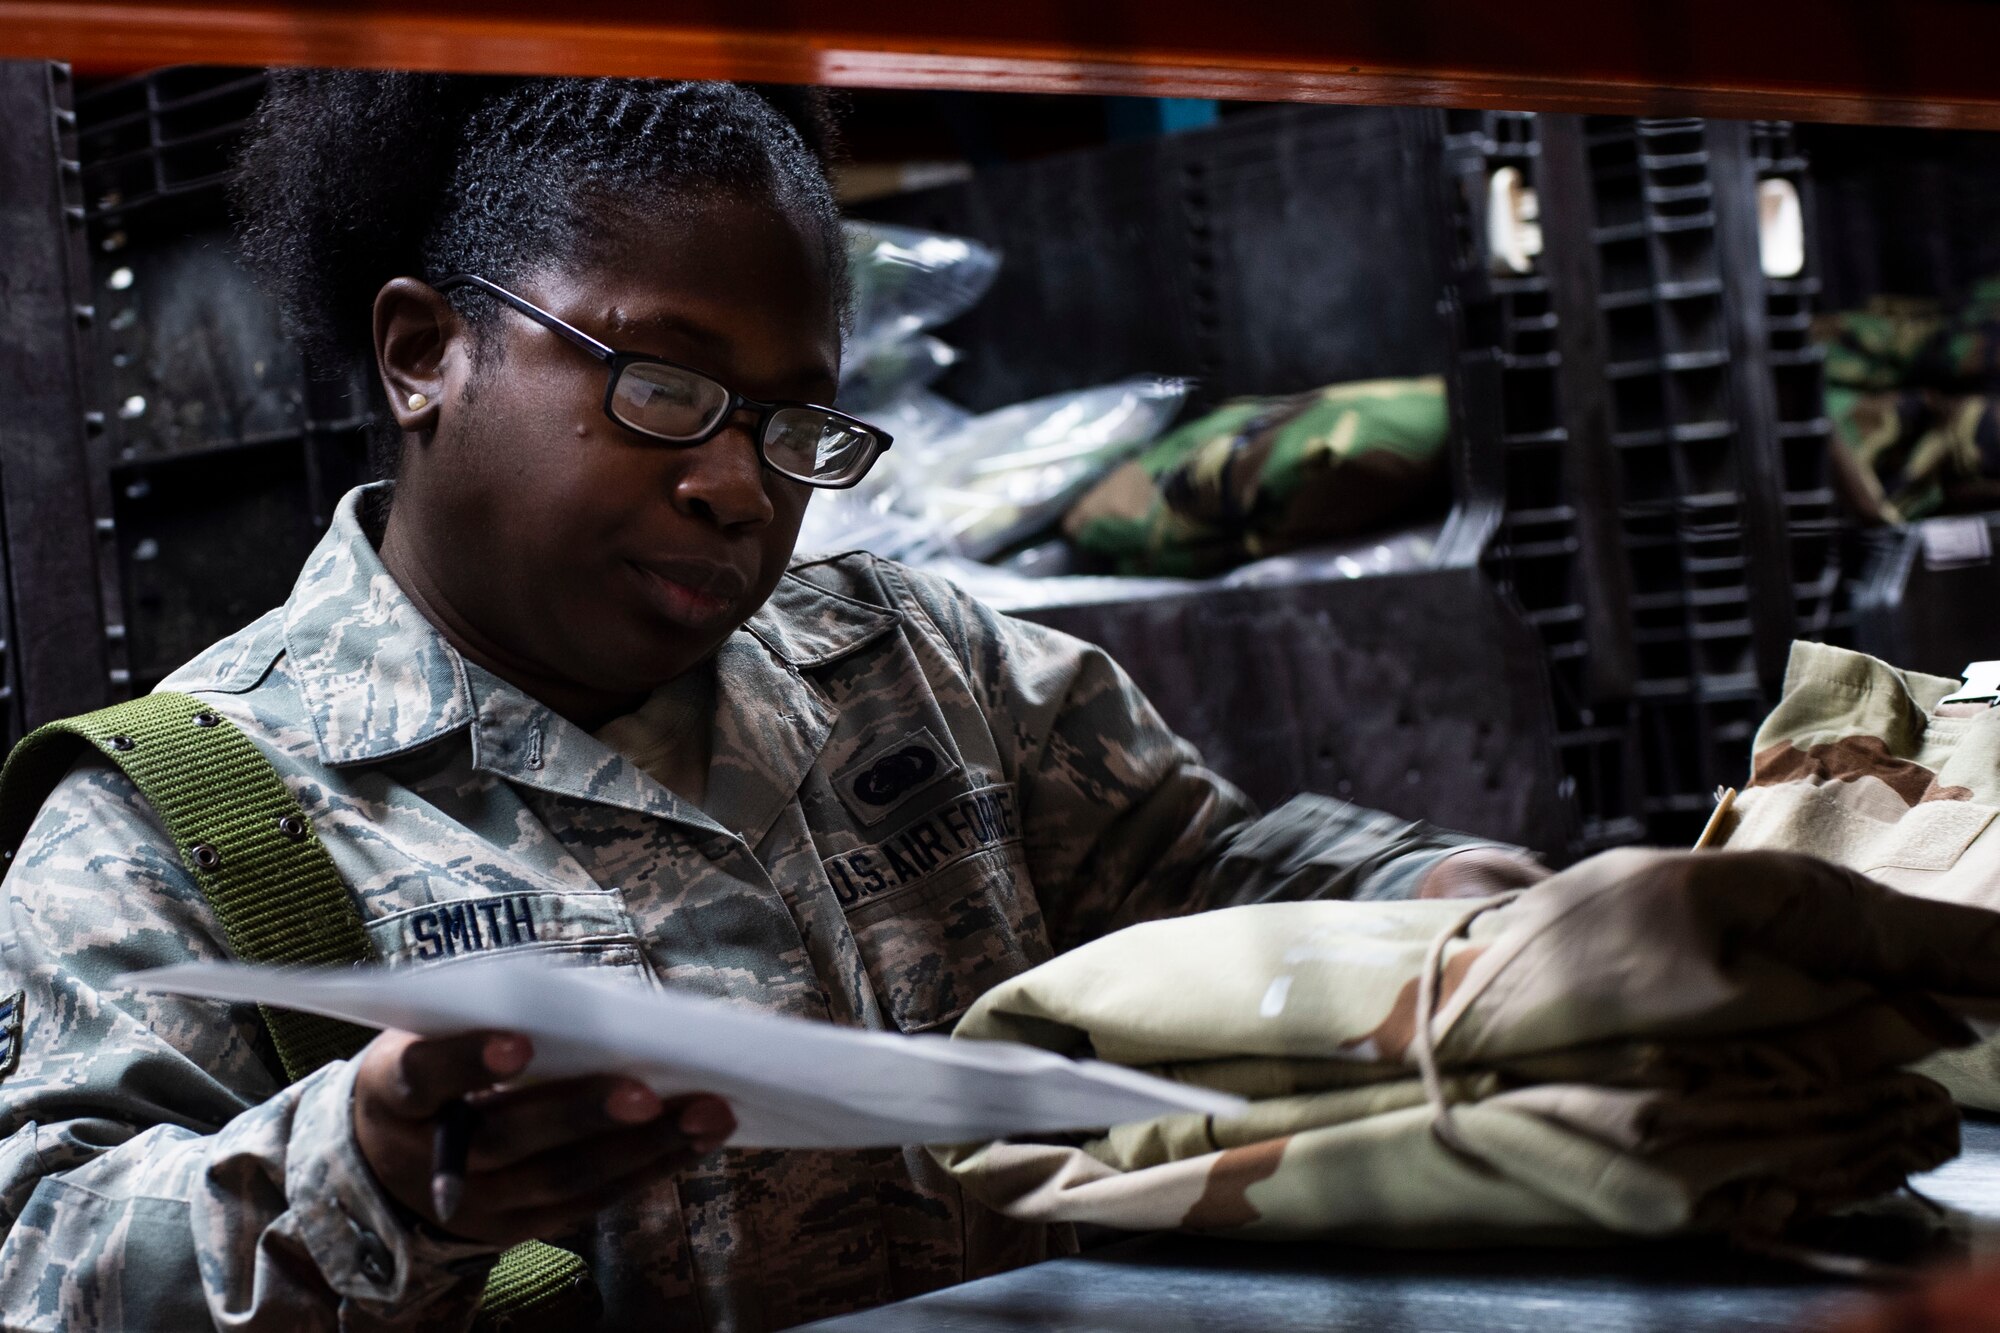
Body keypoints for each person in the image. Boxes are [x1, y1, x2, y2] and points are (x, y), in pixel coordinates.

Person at [0, 72, 1550, 1331]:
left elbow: (1211, 876)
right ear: (426, 351)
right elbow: (39, 1259)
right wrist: (375, 1170)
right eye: (662, 388)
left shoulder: (920, 665)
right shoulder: (180, 823)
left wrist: (1446, 906)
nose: (740, 487)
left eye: (797, 421)